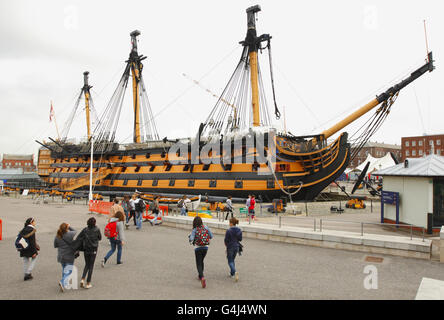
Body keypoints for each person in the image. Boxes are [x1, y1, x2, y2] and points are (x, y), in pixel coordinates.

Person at [76, 217, 102, 289]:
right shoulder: (97, 229)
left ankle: (82, 279)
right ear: (94, 223)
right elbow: (100, 238)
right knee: (91, 266)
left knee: (87, 264)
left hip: (86, 249)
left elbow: (78, 237)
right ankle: (88, 282)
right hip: (93, 249)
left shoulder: (85, 230)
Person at [188, 216, 213, 288]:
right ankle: (200, 275)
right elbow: (211, 236)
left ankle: (202, 277)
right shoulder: (206, 227)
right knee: (201, 260)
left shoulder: (195, 229)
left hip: (198, 247)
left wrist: (190, 237)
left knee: (198, 263)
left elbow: (191, 239)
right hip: (206, 247)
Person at [54, 223, 77, 292]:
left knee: (64, 269)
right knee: (69, 271)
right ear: (66, 228)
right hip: (69, 255)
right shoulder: (70, 234)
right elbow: (75, 231)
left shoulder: (57, 236)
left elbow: (55, 245)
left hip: (61, 255)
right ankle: (62, 281)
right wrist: (70, 226)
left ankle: (64, 282)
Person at [224, 217, 242, 282]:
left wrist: (226, 245)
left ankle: (234, 271)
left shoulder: (229, 231)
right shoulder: (239, 230)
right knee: (233, 259)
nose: (229, 224)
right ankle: (232, 273)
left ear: (231, 223)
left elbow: (226, 240)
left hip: (230, 246)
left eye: (229, 223)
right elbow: (240, 239)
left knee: (230, 260)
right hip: (236, 246)